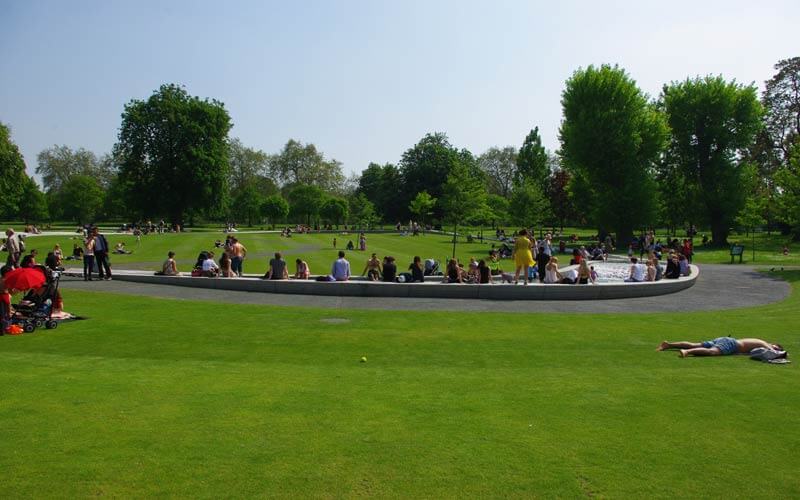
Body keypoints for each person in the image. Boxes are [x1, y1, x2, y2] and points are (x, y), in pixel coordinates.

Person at [657, 337, 786, 358]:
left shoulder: (760, 342)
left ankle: (668, 344)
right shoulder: (766, 344)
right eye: (777, 347)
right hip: (732, 344)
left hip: (726, 340)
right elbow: (774, 352)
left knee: (696, 343)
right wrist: (781, 352)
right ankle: (687, 352)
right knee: (713, 352)